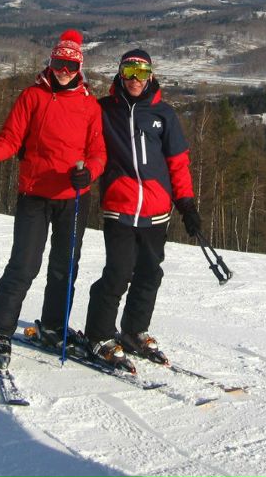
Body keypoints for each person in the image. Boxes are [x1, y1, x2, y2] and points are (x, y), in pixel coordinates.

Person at [0, 29, 105, 368]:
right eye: (59, 63)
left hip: (73, 197)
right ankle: (1, 331)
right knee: (24, 265)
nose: (64, 70)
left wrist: (90, 174)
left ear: (79, 66)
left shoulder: (89, 105)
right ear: (51, 62)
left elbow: (98, 152)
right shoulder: (32, 97)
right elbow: (10, 140)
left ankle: (54, 327)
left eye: (70, 65)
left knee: (64, 267)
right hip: (34, 195)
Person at [84, 48, 201, 369]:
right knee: (119, 272)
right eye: (129, 72)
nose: (136, 80)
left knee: (150, 273)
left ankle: (134, 329)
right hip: (119, 207)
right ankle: (99, 334)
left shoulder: (164, 114)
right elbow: (79, 137)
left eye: (142, 73)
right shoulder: (103, 110)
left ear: (151, 76)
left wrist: (187, 204)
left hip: (156, 208)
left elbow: (178, 163)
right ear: (120, 74)